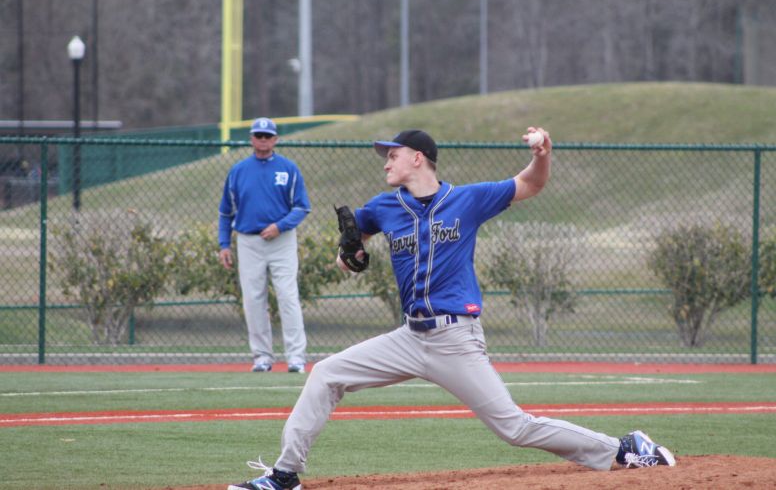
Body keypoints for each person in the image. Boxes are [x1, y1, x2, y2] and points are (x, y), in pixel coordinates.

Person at [228, 127, 676, 490]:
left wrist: (542, 153)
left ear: (418, 158)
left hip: (455, 338)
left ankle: (624, 447)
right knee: (326, 374)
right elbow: (349, 252)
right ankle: (285, 476)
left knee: (514, 428)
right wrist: (351, 255)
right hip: (408, 337)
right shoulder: (385, 207)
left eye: (393, 154)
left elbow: (532, 184)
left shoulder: (467, 199)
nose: (385, 161)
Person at [218, 117, 311, 374]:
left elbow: (302, 206)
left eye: (267, 136)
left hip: (281, 240)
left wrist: (279, 226)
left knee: (288, 296)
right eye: (258, 135)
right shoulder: (238, 171)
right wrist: (224, 244)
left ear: (276, 139)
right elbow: (226, 212)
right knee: (253, 299)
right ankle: (262, 357)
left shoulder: (288, 169)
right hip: (248, 241)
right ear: (251, 138)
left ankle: (296, 357)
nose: (262, 140)